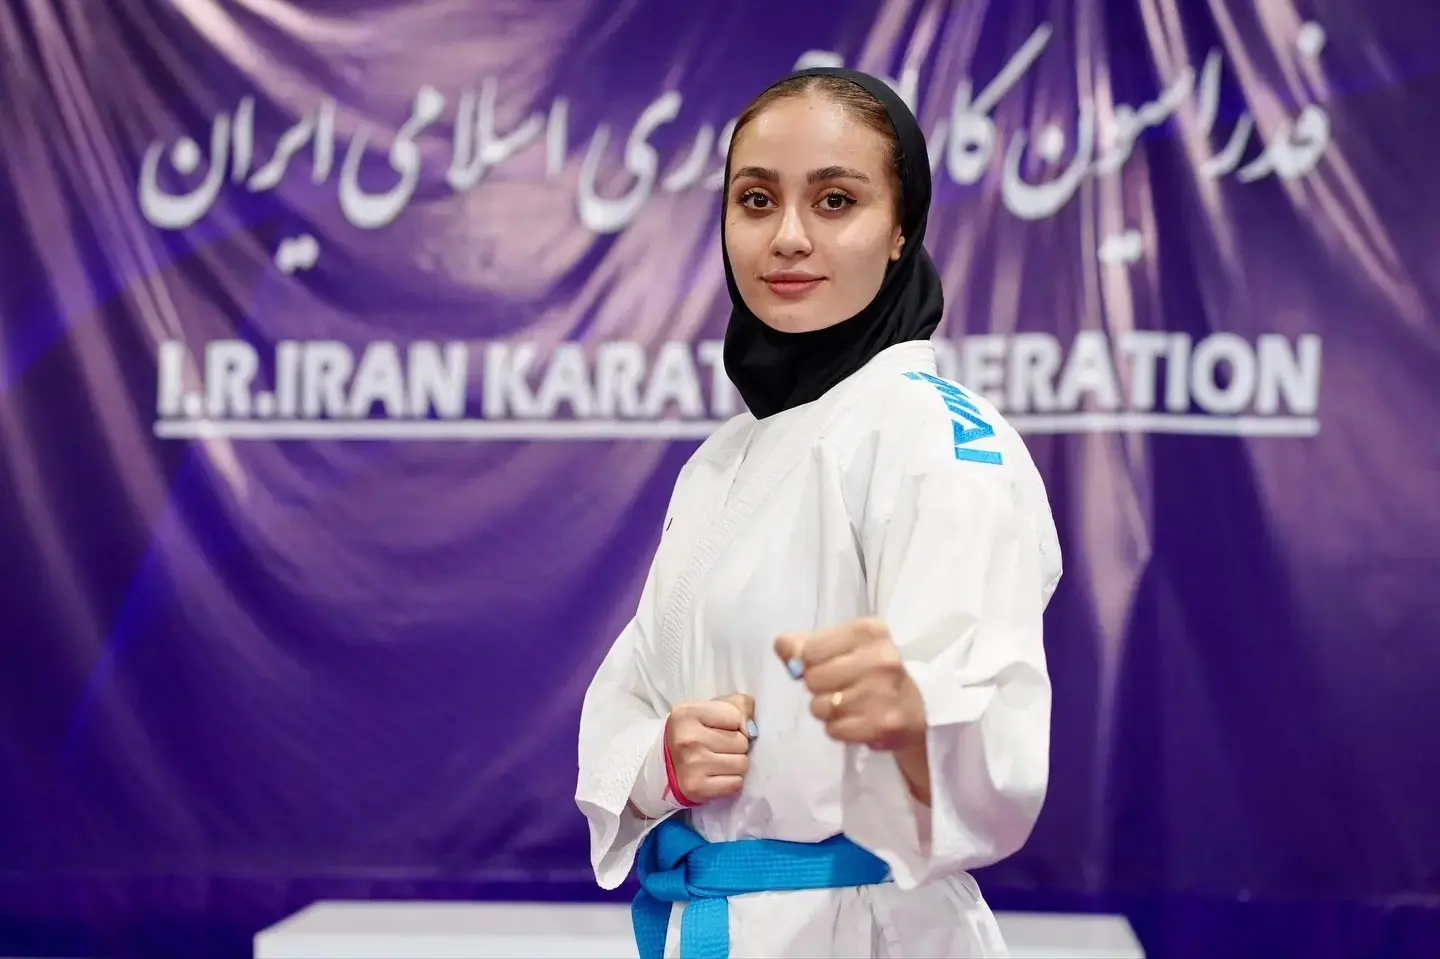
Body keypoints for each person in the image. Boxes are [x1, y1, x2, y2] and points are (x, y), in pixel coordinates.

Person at [575, 66, 1063, 959]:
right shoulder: (723, 458)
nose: (788, 237)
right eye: (756, 200)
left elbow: (998, 750)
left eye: (836, 201)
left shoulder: (935, 435)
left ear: (901, 229)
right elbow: (637, 687)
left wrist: (914, 721)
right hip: (720, 925)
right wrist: (661, 760)